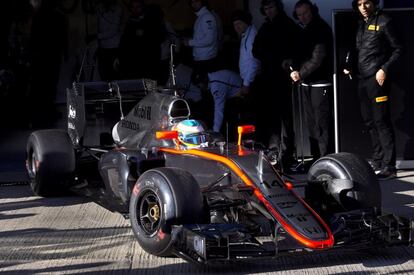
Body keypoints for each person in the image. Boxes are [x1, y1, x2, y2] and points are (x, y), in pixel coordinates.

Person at [344, 0, 402, 179]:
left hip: (377, 80)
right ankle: (377, 160)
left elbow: (398, 49)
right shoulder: (361, 24)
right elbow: (359, 50)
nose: (363, 7)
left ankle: (389, 166)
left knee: (381, 121)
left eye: (366, 2)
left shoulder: (384, 21)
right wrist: (349, 66)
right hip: (362, 79)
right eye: (359, 3)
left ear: (374, 3)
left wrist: (384, 69)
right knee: (369, 121)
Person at [252, 0, 300, 172]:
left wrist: (283, 59)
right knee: (272, 117)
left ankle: (285, 154)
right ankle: (275, 151)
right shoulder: (265, 27)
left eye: (271, 7)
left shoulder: (287, 25)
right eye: (266, 9)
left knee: (285, 118)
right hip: (268, 76)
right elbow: (256, 50)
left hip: (282, 77)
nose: (269, 11)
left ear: (278, 7)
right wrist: (270, 56)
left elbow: (296, 48)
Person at [290, 0, 333, 161]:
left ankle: (325, 160)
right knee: (312, 126)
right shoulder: (305, 30)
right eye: (299, 15)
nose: (303, 17)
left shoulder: (320, 29)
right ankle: (317, 160)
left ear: (313, 11)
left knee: (321, 125)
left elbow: (318, 58)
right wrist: (292, 65)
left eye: (306, 13)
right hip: (308, 82)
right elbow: (302, 55)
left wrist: (300, 73)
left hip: (320, 83)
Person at [119, 1, 166, 80]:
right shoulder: (130, 21)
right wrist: (120, 56)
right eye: (133, 7)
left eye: (138, 7)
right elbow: (125, 40)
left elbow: (160, 38)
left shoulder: (152, 19)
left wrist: (145, 33)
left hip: (147, 63)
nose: (135, 9)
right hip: (132, 63)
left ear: (143, 7)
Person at [182, 0, 219, 85]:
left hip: (206, 60)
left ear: (202, 2)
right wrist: (190, 40)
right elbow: (203, 37)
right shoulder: (201, 16)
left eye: (197, 1)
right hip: (202, 58)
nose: (194, 4)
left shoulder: (207, 17)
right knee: (201, 85)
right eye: (192, 2)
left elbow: (209, 40)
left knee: (203, 86)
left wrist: (190, 42)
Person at [96, 0, 122, 81]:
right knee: (103, 74)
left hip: (113, 48)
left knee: (114, 75)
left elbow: (113, 30)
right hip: (103, 48)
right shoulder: (100, 7)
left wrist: (97, 36)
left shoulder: (117, 9)